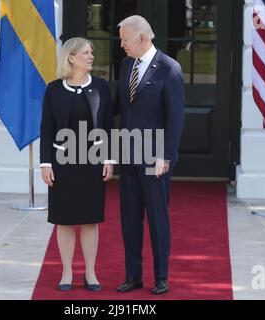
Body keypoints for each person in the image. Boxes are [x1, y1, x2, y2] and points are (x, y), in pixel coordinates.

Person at [115, 15, 185, 295]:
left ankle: (161, 277)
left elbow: (175, 118)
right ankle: (133, 276)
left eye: (125, 39)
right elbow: (120, 107)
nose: (121, 45)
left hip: (155, 157)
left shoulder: (170, 69)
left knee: (157, 218)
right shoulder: (125, 64)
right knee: (129, 219)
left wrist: (165, 157)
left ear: (142, 38)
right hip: (128, 154)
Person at [39, 37, 114, 292]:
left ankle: (91, 273)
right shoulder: (54, 89)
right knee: (65, 219)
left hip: (92, 163)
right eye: (85, 52)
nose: (91, 56)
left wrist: (108, 159)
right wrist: (45, 163)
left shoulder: (101, 87)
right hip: (62, 163)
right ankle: (67, 272)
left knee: (91, 219)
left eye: (92, 52)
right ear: (71, 57)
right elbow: (47, 128)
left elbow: (107, 126)